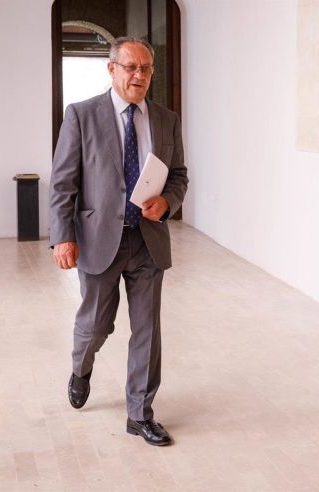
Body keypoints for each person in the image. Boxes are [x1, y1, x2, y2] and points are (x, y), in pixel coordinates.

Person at [49, 36, 188, 447]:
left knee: (147, 330)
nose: (139, 75)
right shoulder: (81, 115)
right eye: (130, 67)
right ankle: (81, 368)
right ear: (112, 69)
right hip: (98, 240)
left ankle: (139, 413)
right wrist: (63, 236)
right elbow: (63, 182)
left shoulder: (166, 119)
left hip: (148, 239)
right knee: (95, 326)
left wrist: (167, 201)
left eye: (146, 68)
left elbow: (179, 175)